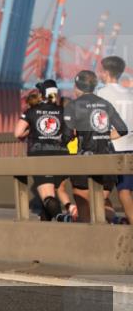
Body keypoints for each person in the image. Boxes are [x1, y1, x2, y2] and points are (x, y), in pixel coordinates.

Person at [64, 69, 129, 222]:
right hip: (106, 161)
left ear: (77, 86)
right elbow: (122, 129)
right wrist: (104, 135)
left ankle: (88, 243)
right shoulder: (105, 104)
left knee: (84, 208)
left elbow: (66, 136)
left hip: (84, 161)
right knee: (100, 206)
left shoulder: (73, 106)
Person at [15, 84, 75, 221]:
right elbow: (72, 132)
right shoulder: (63, 110)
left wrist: (31, 130)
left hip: (40, 155)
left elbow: (17, 133)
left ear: (42, 94)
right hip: (61, 154)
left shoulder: (31, 111)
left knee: (47, 194)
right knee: (56, 189)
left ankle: (61, 217)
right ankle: (46, 220)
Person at [98, 56, 133, 222]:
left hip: (111, 148)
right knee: (125, 190)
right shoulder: (130, 92)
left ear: (105, 73)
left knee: (99, 193)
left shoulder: (101, 94)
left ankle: (108, 222)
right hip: (130, 146)